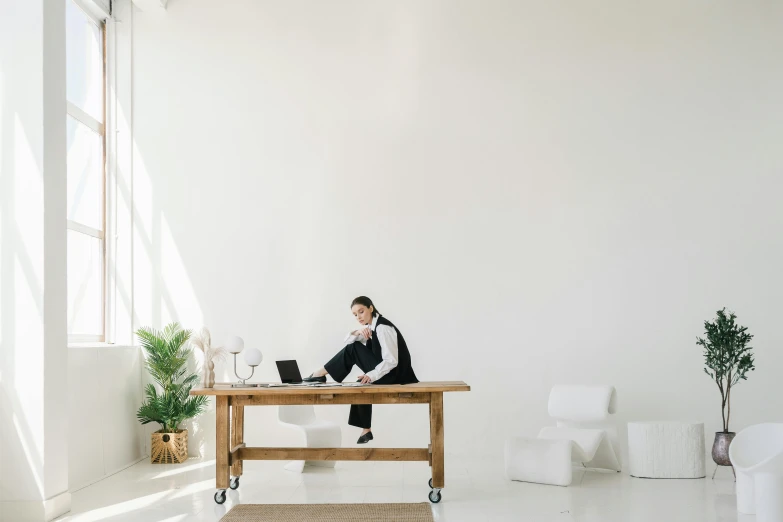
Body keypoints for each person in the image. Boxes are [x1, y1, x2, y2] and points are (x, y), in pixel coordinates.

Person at [304, 296, 418, 444]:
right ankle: (366, 430)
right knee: (360, 382)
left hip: (396, 375)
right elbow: (348, 340)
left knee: (354, 350)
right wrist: (358, 332)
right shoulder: (371, 327)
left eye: (361, 311)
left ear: (371, 308)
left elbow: (392, 360)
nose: (358, 317)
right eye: (355, 314)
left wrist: (372, 374)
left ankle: (320, 373)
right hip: (390, 373)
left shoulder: (383, 328)